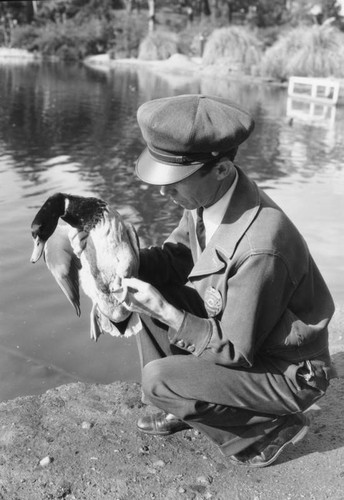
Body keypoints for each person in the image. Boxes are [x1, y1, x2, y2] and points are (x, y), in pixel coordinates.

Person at [75, 94, 336, 467]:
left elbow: (235, 350)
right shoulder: (208, 201)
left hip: (286, 370)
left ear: (222, 170)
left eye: (176, 181)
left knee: (159, 378)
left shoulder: (261, 244)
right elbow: (176, 259)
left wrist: (168, 312)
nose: (163, 191)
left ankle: (264, 430)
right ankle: (184, 406)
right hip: (249, 336)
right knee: (145, 284)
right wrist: (115, 263)